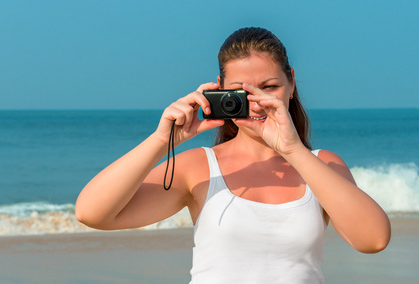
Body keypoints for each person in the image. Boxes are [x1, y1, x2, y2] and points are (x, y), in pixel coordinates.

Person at [76, 27, 391, 283]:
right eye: (243, 91)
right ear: (221, 91)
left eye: (269, 87)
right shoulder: (200, 167)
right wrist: (163, 140)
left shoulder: (322, 164)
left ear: (291, 82)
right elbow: (92, 213)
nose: (257, 102)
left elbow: (373, 240)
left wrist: (293, 150)